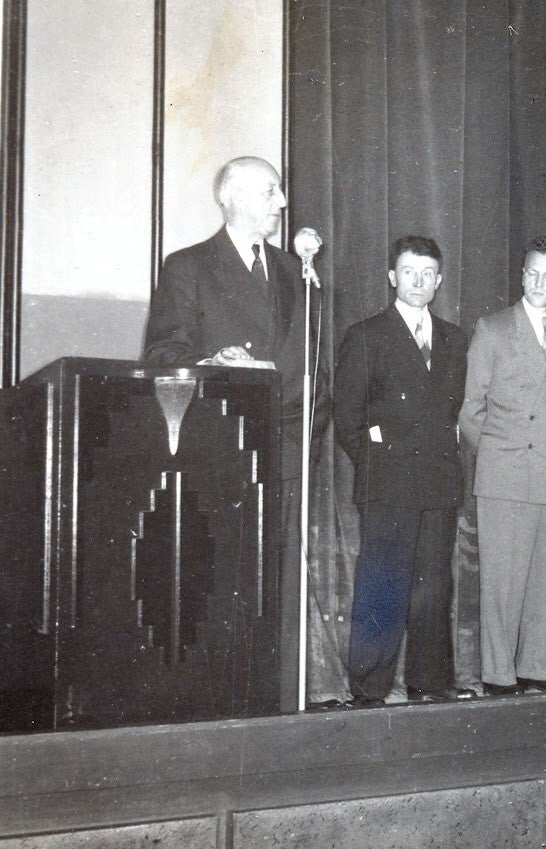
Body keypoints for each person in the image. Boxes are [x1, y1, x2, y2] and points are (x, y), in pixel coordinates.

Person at [142, 155, 323, 708]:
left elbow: (314, 366)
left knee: (280, 586)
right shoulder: (188, 267)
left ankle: (280, 703)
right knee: (223, 581)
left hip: (286, 450)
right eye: (271, 191)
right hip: (222, 449)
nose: (282, 202)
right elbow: (162, 355)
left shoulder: (296, 272)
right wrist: (211, 364)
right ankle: (218, 705)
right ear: (234, 197)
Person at [332, 236, 472, 706]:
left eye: (428, 273)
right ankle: (370, 688)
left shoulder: (455, 339)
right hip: (388, 483)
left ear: (439, 281)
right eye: (409, 271)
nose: (418, 281)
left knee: (433, 587)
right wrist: (380, 464)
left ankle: (429, 683)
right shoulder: (367, 335)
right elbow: (348, 419)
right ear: (392, 277)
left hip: (438, 483)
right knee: (382, 586)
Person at [458, 236, 546, 696]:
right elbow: (471, 410)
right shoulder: (493, 329)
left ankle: (541, 668)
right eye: (532, 273)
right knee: (502, 581)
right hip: (506, 474)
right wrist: (503, 452)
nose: (538, 282)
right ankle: (498, 674)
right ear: (522, 275)